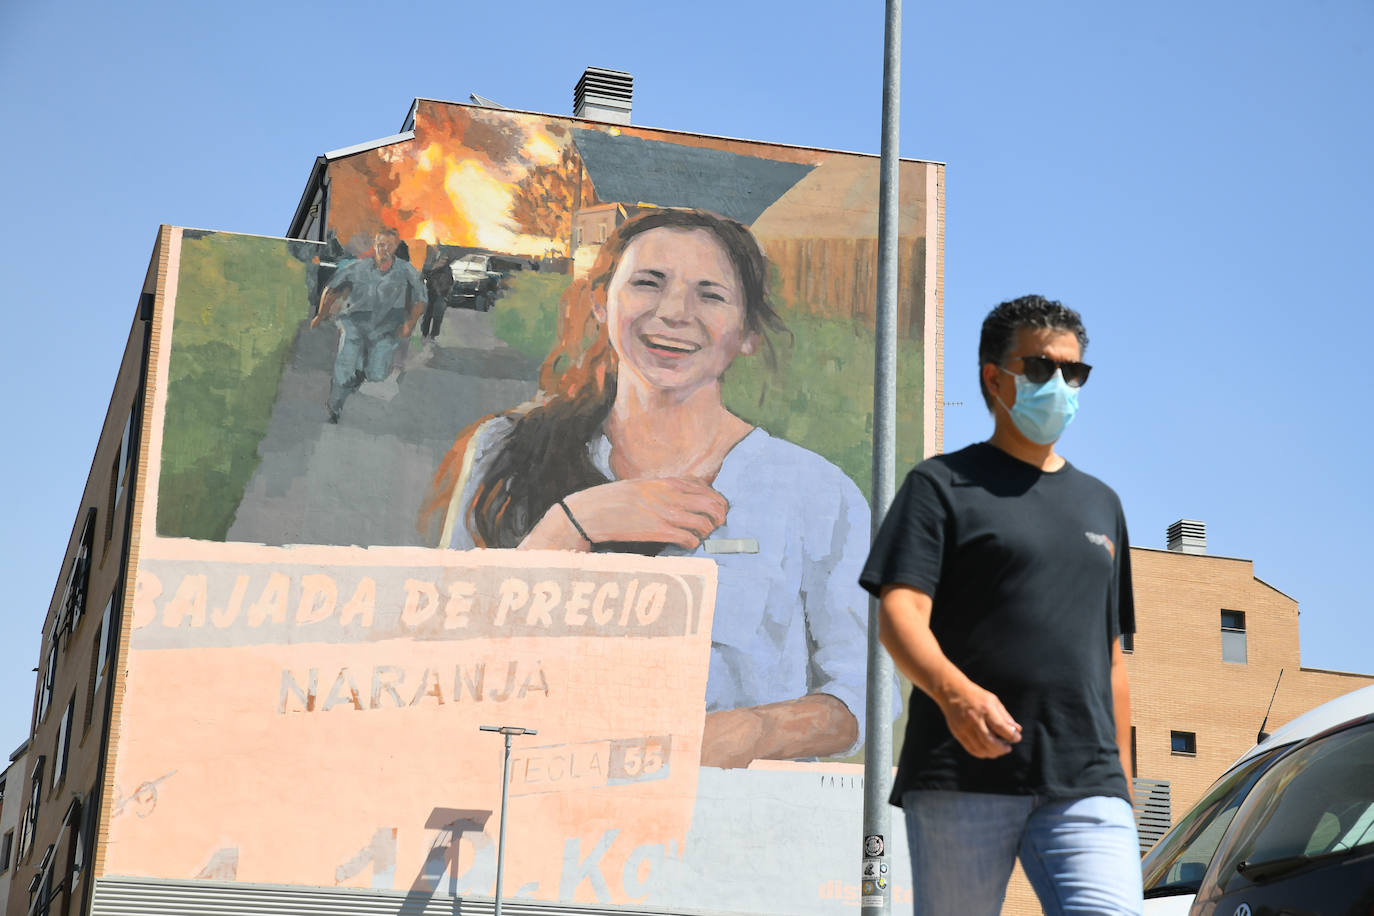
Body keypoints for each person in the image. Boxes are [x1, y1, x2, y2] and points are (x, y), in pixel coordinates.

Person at [422, 208, 886, 768]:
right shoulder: (507, 447)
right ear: (601, 302)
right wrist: (569, 525)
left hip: (717, 825)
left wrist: (742, 734)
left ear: (748, 334)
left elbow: (864, 697)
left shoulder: (816, 491)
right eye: (648, 283)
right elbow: (443, 652)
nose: (673, 314)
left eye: (710, 295)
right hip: (526, 798)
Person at [860, 295, 1142, 915]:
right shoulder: (940, 487)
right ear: (995, 377)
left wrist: (1120, 782)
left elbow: (1112, 659)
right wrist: (957, 696)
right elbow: (899, 615)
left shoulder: (1103, 504)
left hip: (1086, 782)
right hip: (961, 773)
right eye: (1042, 368)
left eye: (1074, 372)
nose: (1060, 385)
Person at [311, 227, 427, 422]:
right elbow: (331, 290)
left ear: (395, 246)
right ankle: (334, 407)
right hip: (354, 324)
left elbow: (421, 299)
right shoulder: (357, 267)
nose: (384, 249)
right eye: (381, 245)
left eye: (389, 245)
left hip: (385, 330)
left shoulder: (406, 271)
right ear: (375, 245)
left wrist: (410, 323)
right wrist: (320, 315)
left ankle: (360, 374)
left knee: (377, 373)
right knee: (345, 367)